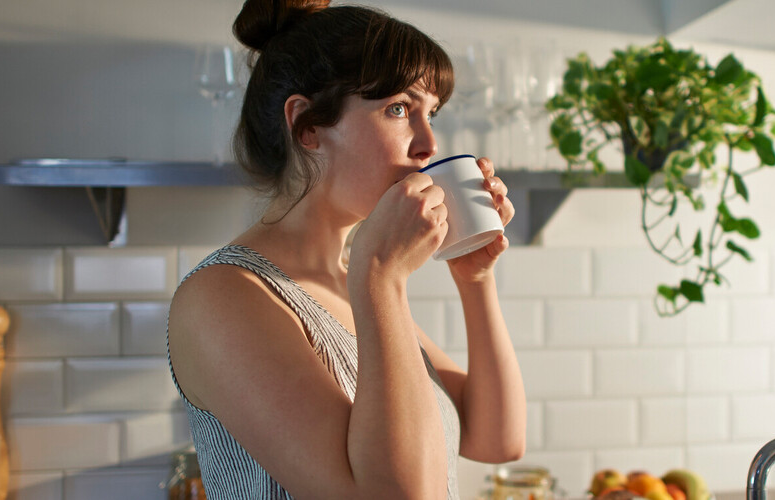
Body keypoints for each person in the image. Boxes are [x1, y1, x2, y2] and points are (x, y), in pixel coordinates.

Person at [166, 1, 526, 498]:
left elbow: (497, 439)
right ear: (307, 125)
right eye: (399, 109)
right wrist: (380, 275)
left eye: (431, 113)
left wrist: (474, 278)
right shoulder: (223, 297)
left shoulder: (348, 281)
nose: (428, 144)